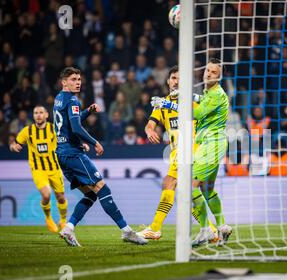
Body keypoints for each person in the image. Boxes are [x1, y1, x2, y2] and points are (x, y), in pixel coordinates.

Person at [53, 67, 147, 247]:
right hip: (73, 154)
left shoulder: (59, 99)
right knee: (103, 190)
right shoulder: (72, 99)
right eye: (73, 79)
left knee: (90, 194)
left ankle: (68, 228)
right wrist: (95, 142)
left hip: (62, 154)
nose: (78, 82)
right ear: (64, 82)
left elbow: (70, 122)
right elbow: (76, 128)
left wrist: (87, 111)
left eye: (79, 79)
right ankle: (126, 231)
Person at [151, 59, 232, 246]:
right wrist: (189, 96)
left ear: (219, 76)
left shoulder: (217, 94)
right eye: (207, 70)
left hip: (210, 144)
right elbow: (201, 102)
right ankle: (222, 226)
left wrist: (169, 104)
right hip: (212, 144)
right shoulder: (209, 92)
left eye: (214, 72)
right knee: (207, 190)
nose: (209, 73)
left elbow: (196, 113)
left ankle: (206, 229)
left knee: (189, 186)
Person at [140, 66, 217, 240]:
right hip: (177, 151)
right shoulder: (162, 103)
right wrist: (149, 130)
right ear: (168, 81)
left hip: (193, 149)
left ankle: (155, 228)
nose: (177, 81)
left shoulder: (194, 101)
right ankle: (211, 229)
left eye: (181, 79)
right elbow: (151, 123)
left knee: (170, 184)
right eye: (174, 78)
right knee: (184, 193)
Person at [9, 105, 68, 233]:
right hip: (38, 169)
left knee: (61, 198)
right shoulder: (27, 131)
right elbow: (15, 144)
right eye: (36, 113)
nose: (38, 115)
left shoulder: (54, 129)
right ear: (33, 115)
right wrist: (13, 147)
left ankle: (63, 220)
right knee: (46, 195)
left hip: (54, 168)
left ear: (46, 115)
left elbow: (67, 140)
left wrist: (81, 145)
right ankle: (48, 218)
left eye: (41, 112)